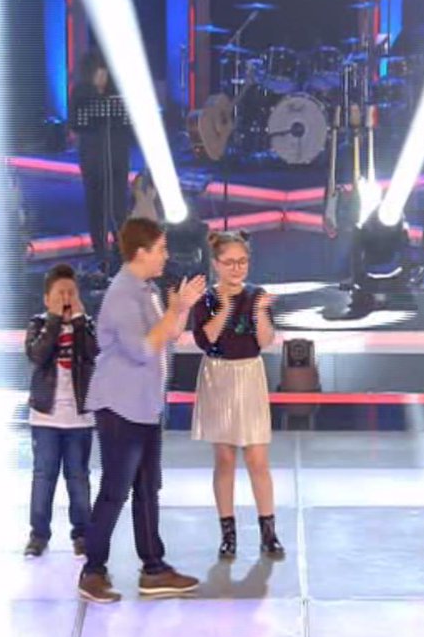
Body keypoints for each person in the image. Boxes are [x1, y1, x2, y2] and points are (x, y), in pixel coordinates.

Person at [78, 217, 207, 603]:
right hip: (121, 406)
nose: (166, 256)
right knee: (115, 490)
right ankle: (92, 570)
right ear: (140, 252)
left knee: (148, 488)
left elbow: (168, 335)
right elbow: (140, 348)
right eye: (161, 249)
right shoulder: (122, 294)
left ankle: (154, 568)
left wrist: (180, 310)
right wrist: (174, 310)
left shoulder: (146, 290)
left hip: (145, 406)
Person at [190, 231, 283, 559]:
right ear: (216, 264)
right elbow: (206, 340)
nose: (236, 268)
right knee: (225, 458)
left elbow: (265, 340)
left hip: (249, 374)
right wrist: (226, 308)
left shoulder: (257, 295)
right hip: (218, 375)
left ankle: (268, 531)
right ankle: (227, 533)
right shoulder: (206, 300)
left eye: (242, 262)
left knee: (257, 458)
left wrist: (259, 313)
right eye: (229, 262)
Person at [24, 264, 98, 558]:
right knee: (44, 476)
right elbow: (37, 354)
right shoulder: (38, 324)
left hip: (80, 417)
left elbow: (94, 352)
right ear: (47, 299)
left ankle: (82, 534)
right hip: (45, 416)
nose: (66, 298)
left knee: (78, 478)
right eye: (60, 293)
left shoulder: (86, 326)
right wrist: (54, 321)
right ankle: (38, 535)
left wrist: (78, 321)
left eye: (71, 293)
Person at [71, 51, 132, 272]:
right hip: (93, 158)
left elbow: (129, 127)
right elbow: (76, 124)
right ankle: (100, 253)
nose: (103, 76)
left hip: (117, 158)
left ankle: (121, 252)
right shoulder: (81, 94)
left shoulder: (117, 96)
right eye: (99, 72)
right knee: (96, 207)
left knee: (119, 207)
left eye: (105, 72)